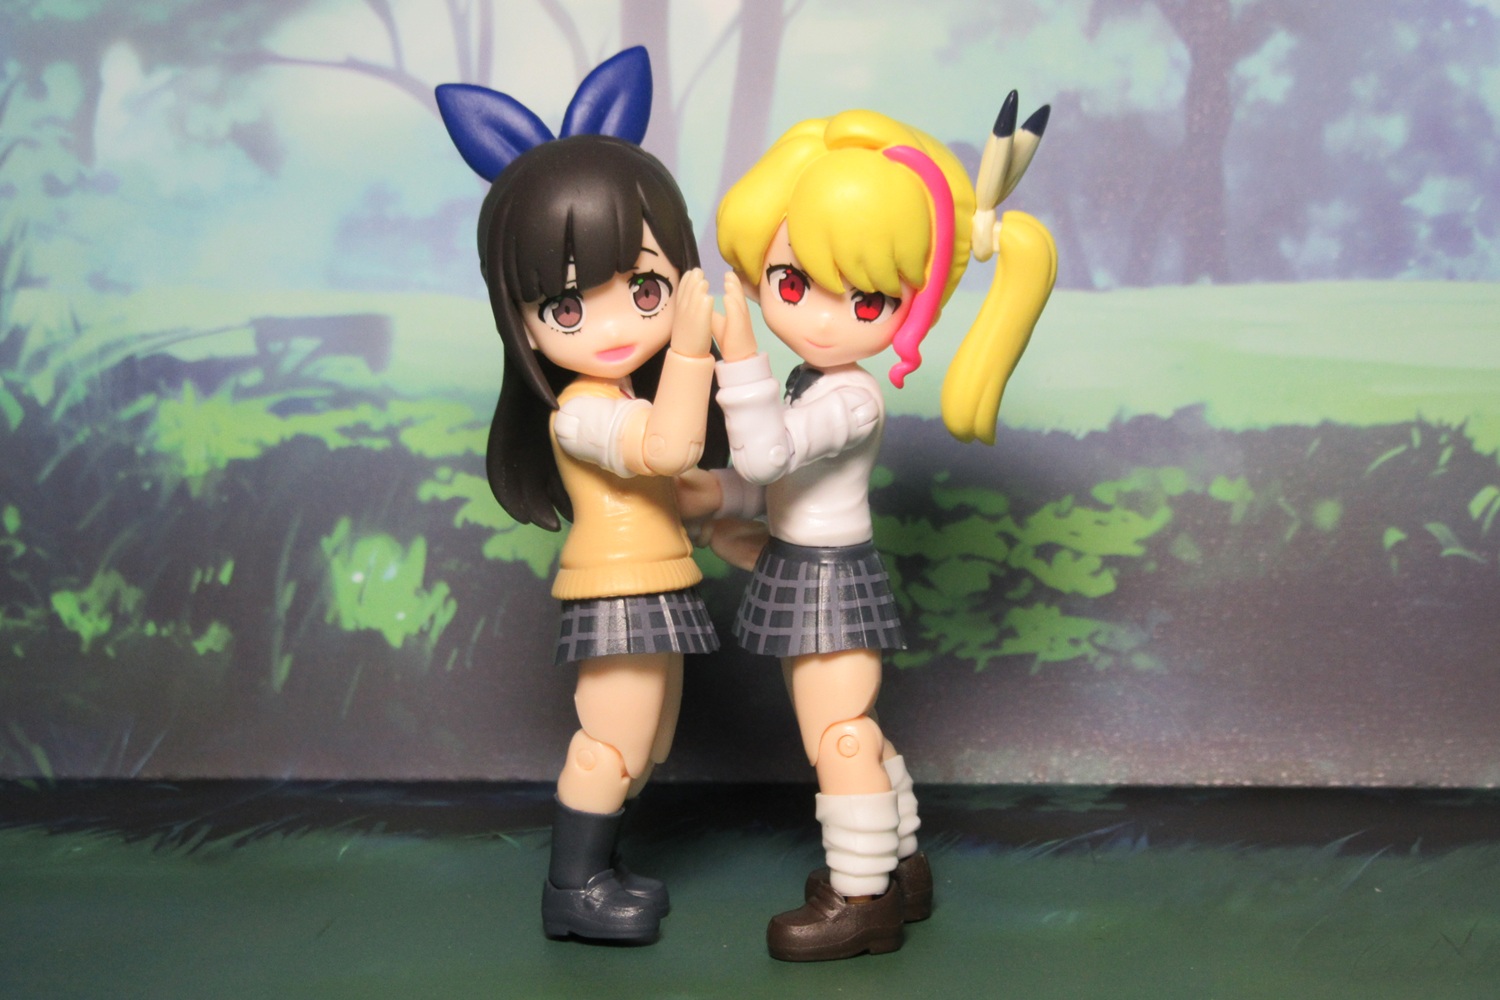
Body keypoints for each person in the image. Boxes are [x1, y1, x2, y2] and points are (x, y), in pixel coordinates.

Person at [697, 105, 1055, 960]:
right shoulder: (807, 382)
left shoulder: (853, 396)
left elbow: (769, 452)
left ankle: (863, 900)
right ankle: (901, 865)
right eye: (793, 284)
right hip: (803, 565)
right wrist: (705, 495)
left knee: (841, 737)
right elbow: (764, 481)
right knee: (851, 727)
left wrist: (737, 352)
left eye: (865, 300)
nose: (824, 321)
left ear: (912, 306)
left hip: (829, 578)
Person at [437, 48, 727, 945]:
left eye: (642, 287)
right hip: (617, 591)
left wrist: (728, 522)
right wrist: (690, 346)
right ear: (520, 322)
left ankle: (601, 868)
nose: (611, 325)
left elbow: (675, 485)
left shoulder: (622, 396)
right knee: (612, 739)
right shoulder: (581, 413)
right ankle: (574, 887)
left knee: (648, 743)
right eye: (566, 308)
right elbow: (667, 448)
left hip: (657, 581)